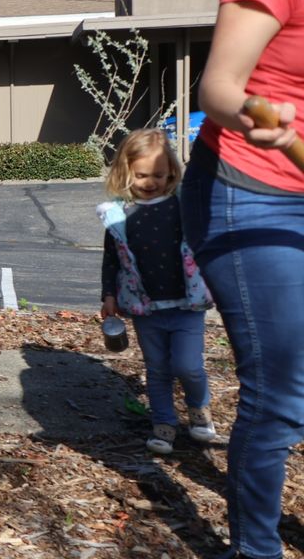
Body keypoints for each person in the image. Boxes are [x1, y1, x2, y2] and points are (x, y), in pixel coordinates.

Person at [179, 0, 304, 559]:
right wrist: (258, 114)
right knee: (282, 385)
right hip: (250, 186)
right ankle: (257, 550)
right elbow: (219, 87)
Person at [98, 128, 216, 455]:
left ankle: (199, 407)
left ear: (171, 173)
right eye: (141, 175)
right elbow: (111, 259)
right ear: (125, 171)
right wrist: (108, 294)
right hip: (145, 308)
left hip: (186, 306)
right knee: (157, 368)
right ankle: (163, 423)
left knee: (188, 365)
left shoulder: (181, 207)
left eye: (158, 175)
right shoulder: (119, 215)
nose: (150, 182)